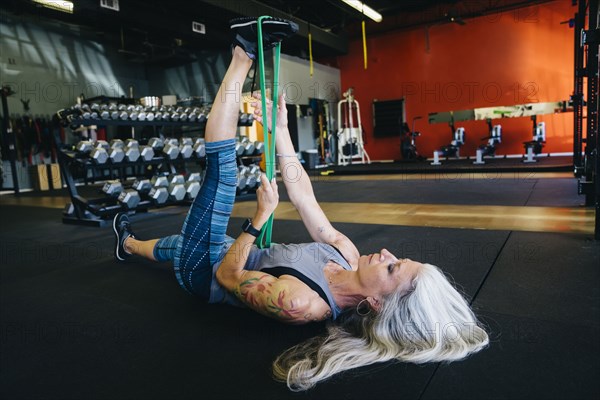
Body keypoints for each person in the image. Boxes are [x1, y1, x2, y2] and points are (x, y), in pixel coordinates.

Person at [112, 17, 489, 391]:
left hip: (207, 273)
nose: (387, 253)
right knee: (172, 246)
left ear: (376, 302)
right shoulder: (346, 253)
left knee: (223, 176)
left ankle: (242, 53)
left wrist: (258, 220)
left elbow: (227, 278)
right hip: (234, 252)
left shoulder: (300, 303)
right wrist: (280, 131)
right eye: (399, 258)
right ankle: (127, 245)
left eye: (392, 269)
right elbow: (304, 195)